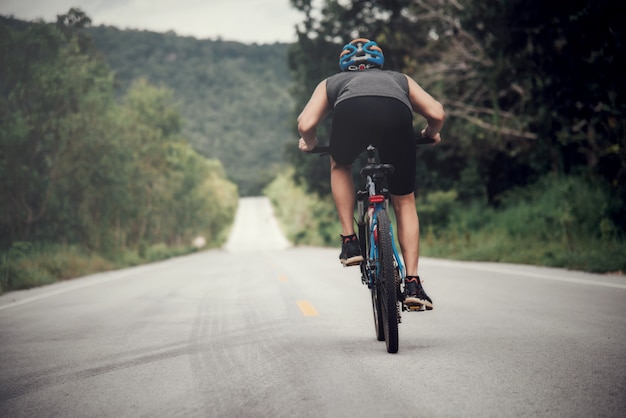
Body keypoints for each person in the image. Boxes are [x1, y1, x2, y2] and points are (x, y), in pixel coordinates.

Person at [297, 38, 444, 310]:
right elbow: (437, 112)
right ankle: (413, 284)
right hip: (396, 116)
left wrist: (311, 142)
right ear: (379, 63)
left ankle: (349, 241)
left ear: (345, 65)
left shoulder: (332, 82)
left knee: (340, 163)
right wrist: (430, 134)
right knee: (404, 199)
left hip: (349, 114)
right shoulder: (399, 79)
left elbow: (305, 123)